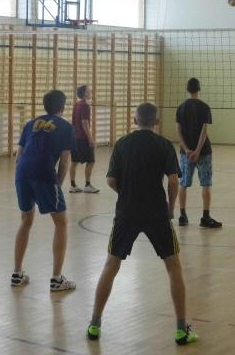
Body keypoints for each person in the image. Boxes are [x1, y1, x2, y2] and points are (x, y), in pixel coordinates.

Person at [86, 103, 199, 346]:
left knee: (111, 264)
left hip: (126, 210)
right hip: (156, 211)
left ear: (134, 120)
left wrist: (126, 193)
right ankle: (181, 330)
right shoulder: (164, 145)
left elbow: (110, 180)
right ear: (156, 121)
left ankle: (94, 324)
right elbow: (173, 181)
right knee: (173, 265)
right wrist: (170, 208)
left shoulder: (122, 143)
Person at [12, 90, 76, 291]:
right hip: (43, 173)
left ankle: (17, 274)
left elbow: (18, 156)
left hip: (22, 172)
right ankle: (57, 279)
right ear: (63, 107)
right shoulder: (66, 127)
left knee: (26, 220)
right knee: (61, 222)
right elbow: (64, 162)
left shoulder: (31, 123)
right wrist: (57, 185)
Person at [175, 78, 221, 228]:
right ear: (199, 89)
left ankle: (182, 216)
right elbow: (204, 132)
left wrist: (187, 150)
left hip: (185, 153)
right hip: (204, 152)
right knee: (206, 184)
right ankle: (205, 217)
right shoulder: (204, 107)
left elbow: (178, 131)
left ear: (187, 89)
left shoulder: (181, 107)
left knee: (183, 183)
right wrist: (197, 151)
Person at [69, 85, 99, 194]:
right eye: (89, 91)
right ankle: (87, 185)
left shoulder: (76, 104)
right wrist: (90, 138)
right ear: (84, 93)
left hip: (74, 137)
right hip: (82, 138)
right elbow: (85, 123)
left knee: (74, 161)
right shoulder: (85, 106)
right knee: (91, 161)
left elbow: (73, 121)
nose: (91, 92)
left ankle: (73, 185)